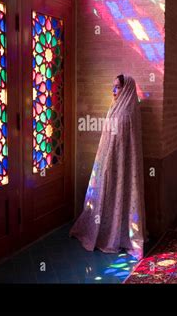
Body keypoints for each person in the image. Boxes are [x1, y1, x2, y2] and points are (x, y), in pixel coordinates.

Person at [70, 74, 146, 259]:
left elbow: (121, 144)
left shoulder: (126, 113)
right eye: (113, 87)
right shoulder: (117, 108)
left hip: (118, 166)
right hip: (109, 163)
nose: (113, 91)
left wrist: (110, 163)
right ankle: (107, 231)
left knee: (118, 195)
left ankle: (116, 235)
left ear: (126, 89)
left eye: (117, 87)